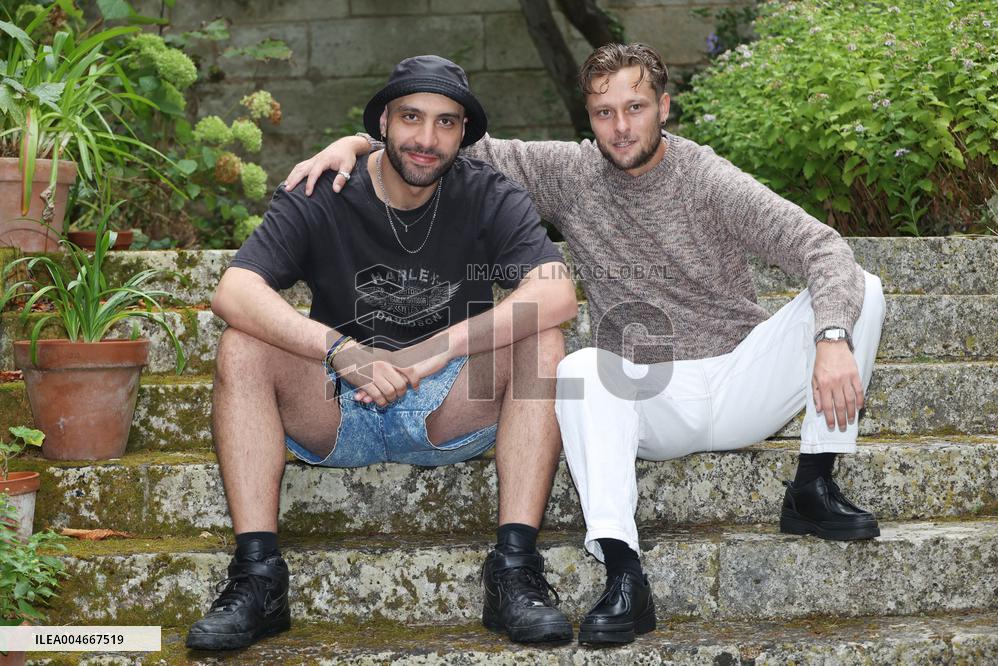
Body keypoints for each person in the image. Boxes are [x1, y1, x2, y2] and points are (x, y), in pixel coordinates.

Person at [286, 43, 887, 646]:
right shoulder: (572, 174)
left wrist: (831, 338)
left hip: (740, 377)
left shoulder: (706, 176)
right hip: (652, 397)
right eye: (604, 113)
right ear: (589, 117)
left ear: (664, 107)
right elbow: (444, 143)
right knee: (578, 366)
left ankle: (813, 484)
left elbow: (823, 247)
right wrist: (355, 144)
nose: (621, 128)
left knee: (862, 287)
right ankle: (624, 575)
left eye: (636, 107)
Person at [186, 55, 582, 651]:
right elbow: (233, 291)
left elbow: (557, 293)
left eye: (447, 122)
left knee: (543, 341)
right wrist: (342, 350)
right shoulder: (326, 190)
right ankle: (258, 578)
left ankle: (516, 572)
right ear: (383, 124)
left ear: (465, 134)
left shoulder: (488, 192)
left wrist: (436, 349)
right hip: (335, 408)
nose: (427, 139)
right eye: (412, 118)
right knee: (242, 346)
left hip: (449, 403)